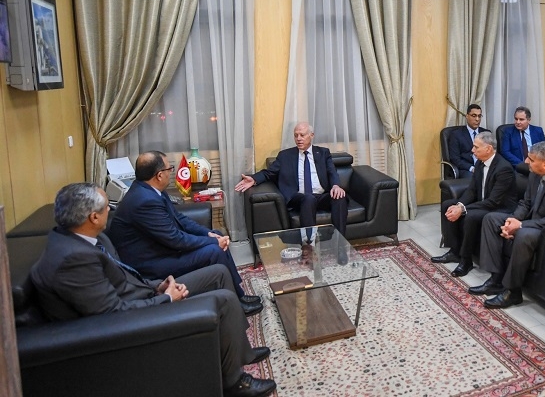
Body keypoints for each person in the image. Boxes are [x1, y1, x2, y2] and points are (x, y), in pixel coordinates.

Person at [30, 183, 276, 397]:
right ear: (93, 217)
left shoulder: (83, 239)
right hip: (137, 319)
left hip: (147, 292)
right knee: (224, 300)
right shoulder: (73, 260)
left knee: (219, 273)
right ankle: (234, 383)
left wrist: (158, 285)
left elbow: (124, 277)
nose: (110, 211)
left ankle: (241, 351)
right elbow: (112, 314)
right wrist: (167, 298)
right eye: (106, 208)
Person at [109, 151, 263, 315]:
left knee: (216, 233)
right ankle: (236, 305)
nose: (171, 172)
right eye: (169, 168)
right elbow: (175, 239)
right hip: (151, 263)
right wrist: (213, 242)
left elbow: (180, 219)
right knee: (214, 250)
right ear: (159, 175)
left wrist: (208, 234)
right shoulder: (144, 201)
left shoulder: (150, 190)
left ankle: (238, 293)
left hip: (159, 249)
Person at [470, 141, 545, 309]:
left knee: (523, 235)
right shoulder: (535, 174)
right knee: (491, 219)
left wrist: (520, 226)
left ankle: (512, 292)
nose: (526, 162)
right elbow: (525, 203)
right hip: (532, 220)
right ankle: (496, 279)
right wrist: (512, 220)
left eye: (531, 159)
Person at [235, 121, 348, 235]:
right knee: (309, 198)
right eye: (296, 135)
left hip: (321, 196)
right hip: (299, 198)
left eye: (302, 135)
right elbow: (269, 173)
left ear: (311, 135)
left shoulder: (323, 153)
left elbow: (332, 171)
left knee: (340, 197)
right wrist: (254, 179)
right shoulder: (285, 156)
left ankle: (340, 241)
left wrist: (336, 186)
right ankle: (309, 242)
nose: (298, 139)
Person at [431, 132, 518, 277]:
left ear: (488, 149)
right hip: (483, 202)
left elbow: (493, 201)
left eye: (476, 147)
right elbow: (472, 190)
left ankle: (466, 261)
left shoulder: (504, 168)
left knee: (470, 216)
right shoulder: (480, 162)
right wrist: (459, 205)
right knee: (448, 204)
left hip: (499, 208)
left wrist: (463, 209)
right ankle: (454, 251)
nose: (472, 150)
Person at [448, 104, 490, 179]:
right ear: (467, 116)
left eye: (479, 116)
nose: (477, 119)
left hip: (484, 166)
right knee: (474, 179)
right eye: (474, 116)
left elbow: (491, 154)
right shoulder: (456, 134)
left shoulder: (486, 133)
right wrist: (471, 168)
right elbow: (455, 159)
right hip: (466, 169)